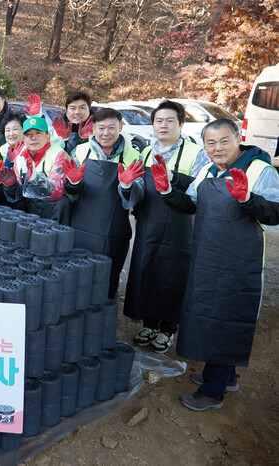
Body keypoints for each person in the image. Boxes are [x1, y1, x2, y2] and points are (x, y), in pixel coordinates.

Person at [151, 119, 279, 411]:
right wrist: (167, 191)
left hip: (239, 262)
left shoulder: (260, 171)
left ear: (238, 139)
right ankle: (226, 376)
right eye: (211, 143)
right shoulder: (209, 170)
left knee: (227, 318)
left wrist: (249, 199)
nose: (217, 148)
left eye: (224, 141)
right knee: (213, 316)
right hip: (209, 257)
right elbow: (192, 204)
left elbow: (275, 213)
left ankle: (212, 392)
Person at [122, 101, 209, 353]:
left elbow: (203, 188)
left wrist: (174, 179)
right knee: (147, 272)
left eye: (170, 120)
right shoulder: (147, 152)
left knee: (174, 276)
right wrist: (127, 186)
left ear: (181, 124)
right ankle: (149, 323)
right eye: (159, 121)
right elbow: (139, 189)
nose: (163, 125)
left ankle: (168, 327)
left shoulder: (197, 153)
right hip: (149, 224)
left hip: (181, 227)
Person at [62, 108, 143, 299]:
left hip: (114, 231)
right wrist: (73, 183)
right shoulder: (81, 151)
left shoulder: (133, 156)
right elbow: (70, 192)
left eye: (111, 127)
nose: (106, 133)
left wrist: (127, 186)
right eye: (101, 128)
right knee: (78, 279)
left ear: (120, 127)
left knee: (106, 281)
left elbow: (138, 196)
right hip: (81, 228)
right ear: (93, 128)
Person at [3, 117, 70, 222]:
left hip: (52, 212)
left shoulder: (59, 155)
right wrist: (11, 186)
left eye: (38, 133)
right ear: (24, 139)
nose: (33, 138)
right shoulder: (20, 158)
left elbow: (56, 193)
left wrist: (35, 180)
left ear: (48, 136)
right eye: (28, 134)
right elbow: (17, 195)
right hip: (28, 212)